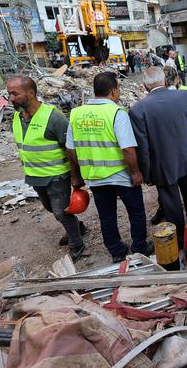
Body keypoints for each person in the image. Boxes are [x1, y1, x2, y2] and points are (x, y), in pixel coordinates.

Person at [67, 72, 151, 263]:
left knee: (107, 217)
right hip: (121, 176)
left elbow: (70, 150)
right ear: (113, 90)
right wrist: (136, 172)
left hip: (95, 177)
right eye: (118, 88)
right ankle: (139, 247)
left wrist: (76, 175)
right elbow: (128, 149)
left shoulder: (76, 114)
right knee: (136, 212)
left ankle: (117, 252)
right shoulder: (116, 113)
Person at [7, 76, 88, 261]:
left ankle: (77, 244)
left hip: (57, 176)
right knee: (51, 208)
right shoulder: (17, 117)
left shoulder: (53, 117)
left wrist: (76, 177)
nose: (11, 98)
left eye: (15, 93)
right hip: (35, 176)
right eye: (9, 93)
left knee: (61, 212)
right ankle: (77, 227)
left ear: (31, 93)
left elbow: (70, 148)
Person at [129, 67, 187, 250]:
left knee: (171, 206)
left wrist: (146, 174)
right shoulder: (184, 96)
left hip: (162, 165)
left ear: (145, 85)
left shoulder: (138, 109)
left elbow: (143, 147)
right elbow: (186, 124)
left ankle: (180, 242)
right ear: (164, 81)